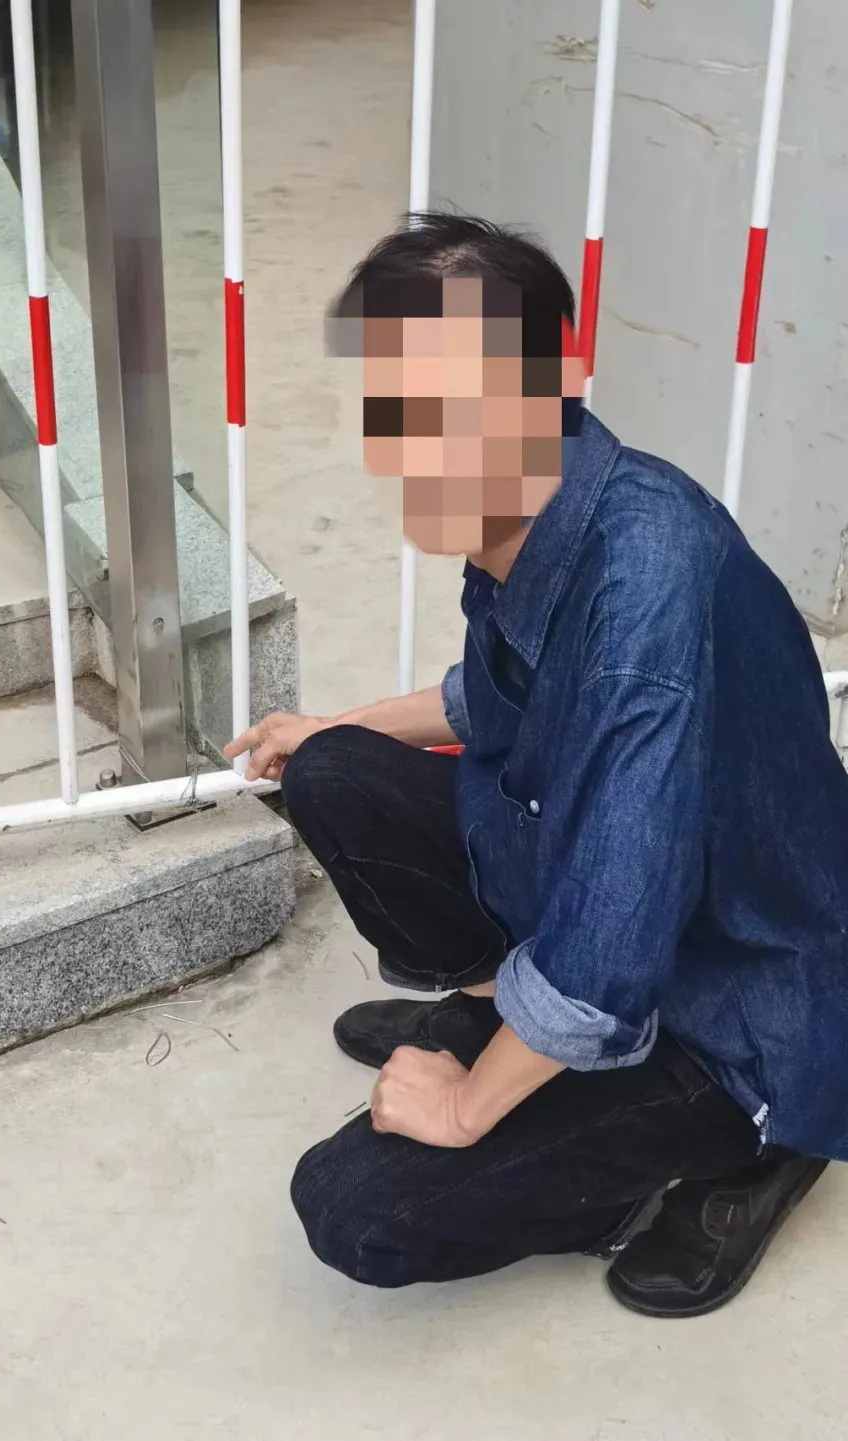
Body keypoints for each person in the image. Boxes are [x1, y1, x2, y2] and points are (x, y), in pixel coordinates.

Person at [225, 212, 848, 1316]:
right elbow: (503, 697)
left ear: (552, 374)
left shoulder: (647, 583)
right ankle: (503, 1019)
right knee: (335, 773)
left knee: (355, 1205)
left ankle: (751, 1145)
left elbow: (611, 953)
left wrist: (469, 1107)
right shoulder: (546, 506)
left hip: (734, 999)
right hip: (621, 902)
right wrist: (334, 726)